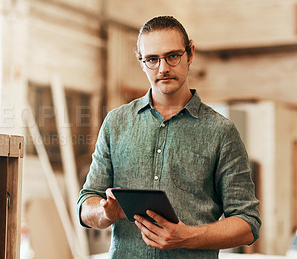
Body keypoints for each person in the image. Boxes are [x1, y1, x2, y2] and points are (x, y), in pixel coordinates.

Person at [77, 15, 261, 258]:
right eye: (152, 59)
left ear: (190, 54)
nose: (163, 68)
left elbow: (248, 223)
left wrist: (186, 237)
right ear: (141, 62)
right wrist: (105, 213)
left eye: (172, 56)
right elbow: (86, 203)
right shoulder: (116, 123)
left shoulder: (221, 132)